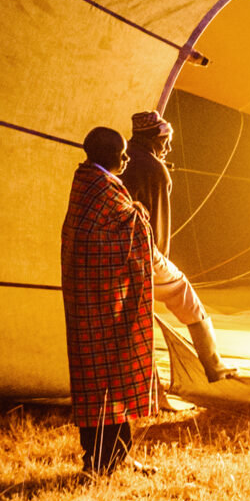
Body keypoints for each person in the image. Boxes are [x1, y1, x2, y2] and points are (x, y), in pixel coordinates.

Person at [61, 126, 160, 474]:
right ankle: (100, 462)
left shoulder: (88, 183)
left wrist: (130, 211)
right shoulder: (99, 188)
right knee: (103, 380)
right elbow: (110, 237)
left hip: (96, 303)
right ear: (106, 155)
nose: (127, 157)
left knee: (106, 379)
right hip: (100, 305)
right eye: (121, 153)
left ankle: (118, 455)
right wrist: (138, 215)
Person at [123, 109, 236, 390]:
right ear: (152, 138)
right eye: (165, 139)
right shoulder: (154, 169)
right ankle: (214, 365)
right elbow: (158, 220)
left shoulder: (123, 159)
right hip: (143, 254)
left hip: (115, 254)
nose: (169, 146)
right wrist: (159, 259)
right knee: (184, 294)